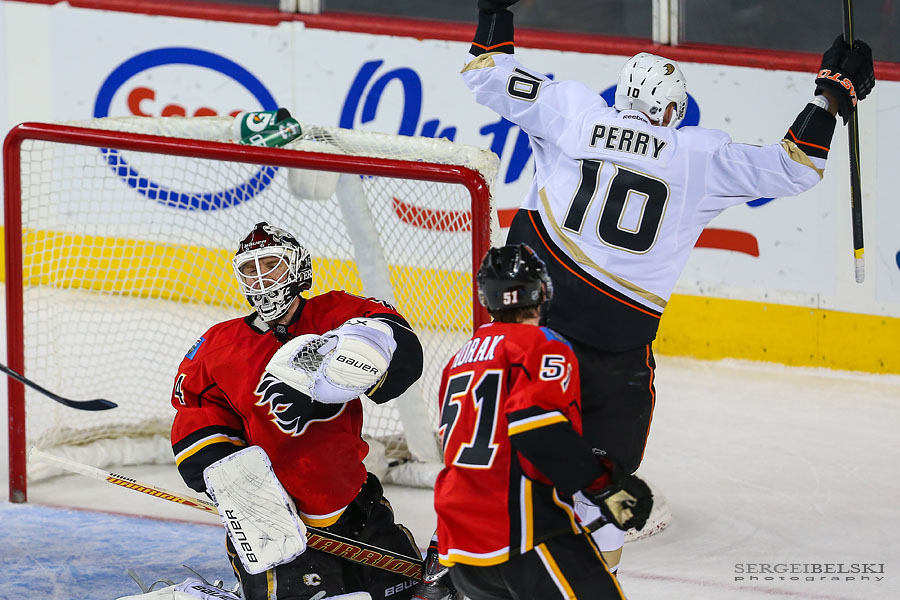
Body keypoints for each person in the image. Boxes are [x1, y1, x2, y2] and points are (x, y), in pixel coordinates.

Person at [462, 0, 876, 572]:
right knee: (606, 495)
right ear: (672, 111)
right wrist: (833, 93)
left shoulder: (574, 113)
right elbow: (795, 166)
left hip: (531, 331)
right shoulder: (695, 154)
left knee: (503, 466)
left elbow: (486, 73)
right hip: (614, 351)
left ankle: (472, 568)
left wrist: (494, 12)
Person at [168, 221, 425, 600]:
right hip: (276, 524)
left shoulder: (335, 313)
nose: (261, 278)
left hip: (354, 506)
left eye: (271, 264)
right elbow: (194, 411)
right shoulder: (218, 345)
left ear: (298, 266)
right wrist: (239, 487)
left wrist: (364, 345)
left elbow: (399, 343)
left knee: (412, 592)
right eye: (249, 269)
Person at [419, 243, 652, 600]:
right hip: (524, 531)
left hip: (460, 548)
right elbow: (535, 425)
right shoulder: (542, 345)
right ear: (542, 290)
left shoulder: (459, 358)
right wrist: (605, 486)